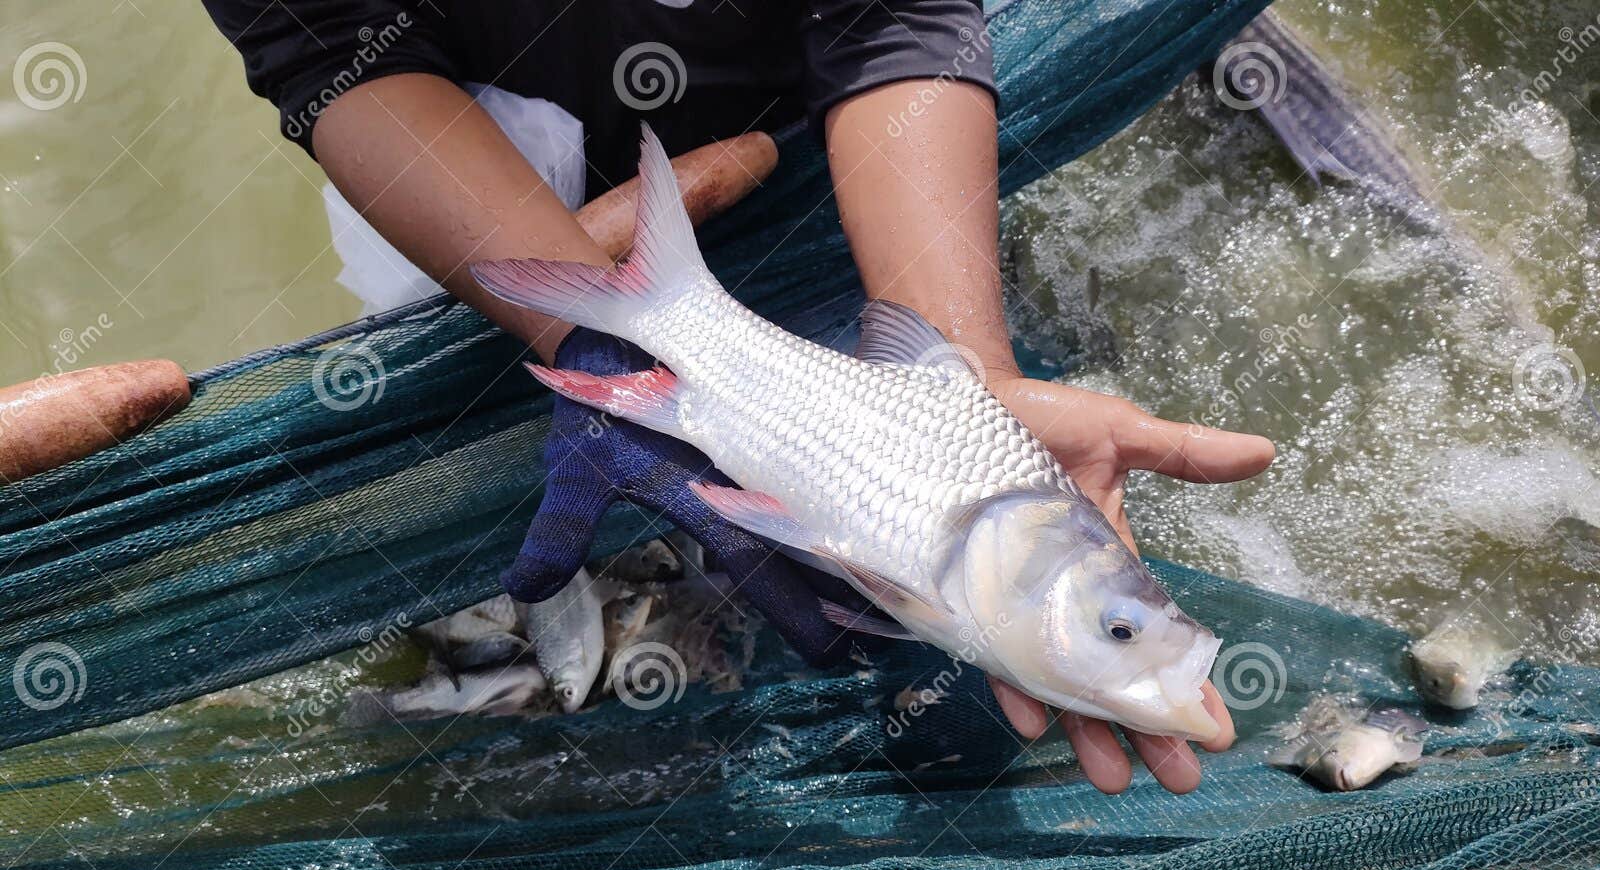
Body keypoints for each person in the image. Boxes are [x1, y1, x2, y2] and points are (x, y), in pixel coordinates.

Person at [202, 0, 1275, 794]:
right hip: (459, 134)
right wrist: (582, 336)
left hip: (804, 119)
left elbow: (891, 15)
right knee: (541, 622)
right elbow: (332, 42)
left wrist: (970, 371)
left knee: (944, 711)